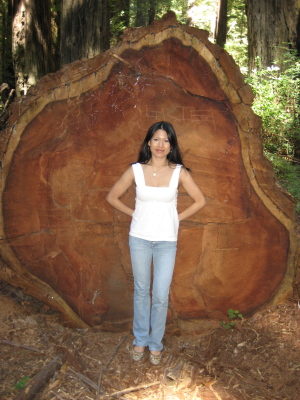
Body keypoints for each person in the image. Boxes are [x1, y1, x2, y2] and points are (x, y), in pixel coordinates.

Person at [106, 121, 206, 365]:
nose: (161, 145)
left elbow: (200, 201)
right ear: (148, 142)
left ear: (171, 145)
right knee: (141, 291)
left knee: (160, 294)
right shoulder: (136, 170)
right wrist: (134, 214)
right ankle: (140, 339)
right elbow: (111, 197)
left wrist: (175, 218)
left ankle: (156, 343)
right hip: (139, 238)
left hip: (166, 242)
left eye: (166, 140)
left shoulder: (179, 172)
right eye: (156, 139)